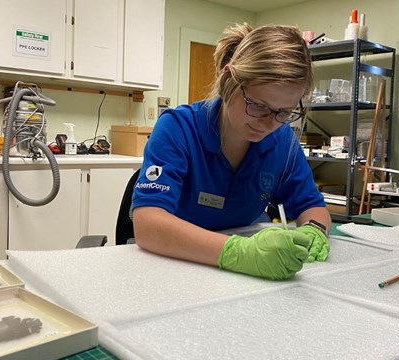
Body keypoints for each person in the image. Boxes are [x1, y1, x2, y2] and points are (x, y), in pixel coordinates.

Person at [131, 23, 331, 280]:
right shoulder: (178, 128)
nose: (269, 123)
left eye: (284, 112)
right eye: (258, 106)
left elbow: (311, 206)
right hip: (174, 268)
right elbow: (147, 224)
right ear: (228, 80)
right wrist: (238, 252)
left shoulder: (281, 140)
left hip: (243, 279)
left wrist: (314, 229)